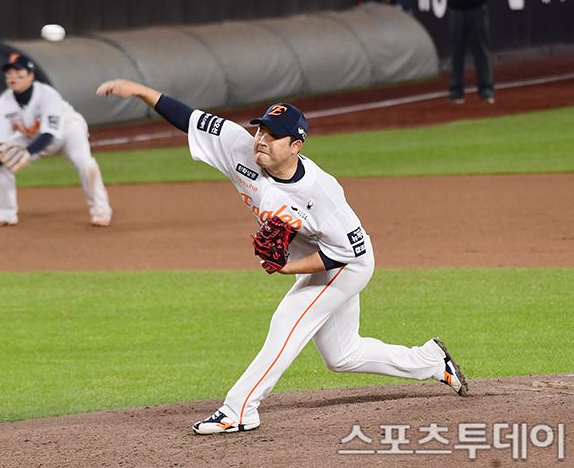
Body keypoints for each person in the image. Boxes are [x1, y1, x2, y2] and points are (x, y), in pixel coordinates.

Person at [96, 79, 469, 435]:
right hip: (322, 258)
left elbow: (344, 254)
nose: (261, 139)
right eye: (261, 130)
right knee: (343, 356)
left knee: (288, 320)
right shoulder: (238, 146)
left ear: (295, 146)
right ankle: (430, 361)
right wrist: (137, 90)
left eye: (273, 135)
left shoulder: (322, 194)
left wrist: (289, 267)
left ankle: (240, 409)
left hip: (348, 265)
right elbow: (187, 117)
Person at [0, 53, 112, 227]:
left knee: (85, 164)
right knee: (3, 159)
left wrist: (27, 153)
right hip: (31, 137)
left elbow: (49, 135)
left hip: (68, 131)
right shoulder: (2, 104)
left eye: (19, 73)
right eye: (9, 73)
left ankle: (101, 210)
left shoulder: (47, 95)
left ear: (31, 76)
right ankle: (5, 214)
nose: (13, 77)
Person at [447, 0, 495, 104]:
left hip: (477, 4)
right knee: (456, 52)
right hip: (456, 6)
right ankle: (456, 90)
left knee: (481, 49)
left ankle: (486, 89)